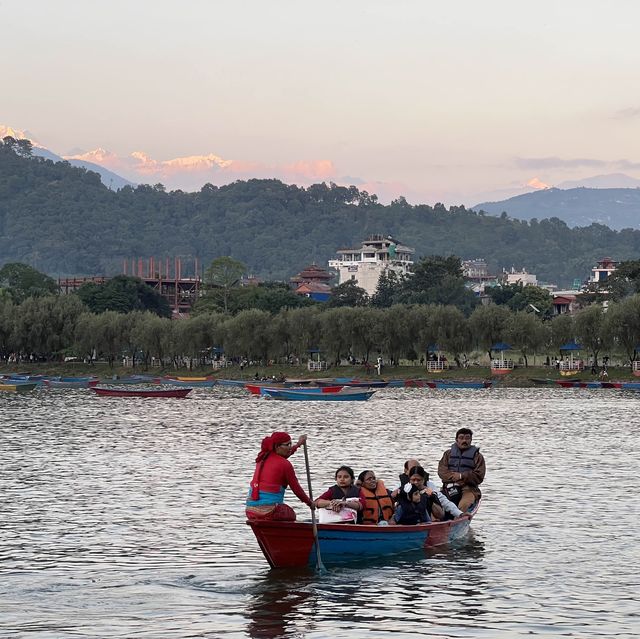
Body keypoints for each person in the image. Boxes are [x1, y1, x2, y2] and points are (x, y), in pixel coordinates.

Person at [246, 431, 313, 521]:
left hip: (250, 511)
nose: (290, 447)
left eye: (290, 444)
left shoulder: (263, 457)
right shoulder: (285, 464)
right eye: (287, 445)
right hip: (269, 512)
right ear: (277, 446)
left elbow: (286, 454)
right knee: (291, 514)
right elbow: (296, 489)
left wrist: (298, 444)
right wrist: (310, 503)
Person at [438, 428, 486, 512]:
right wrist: (453, 477)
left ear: (471, 440)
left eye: (467, 438)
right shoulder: (447, 454)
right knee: (436, 504)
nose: (464, 440)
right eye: (461, 438)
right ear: (456, 439)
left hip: (469, 489)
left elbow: (479, 476)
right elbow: (441, 471)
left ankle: (458, 520)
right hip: (449, 487)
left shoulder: (478, 456)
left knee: (463, 506)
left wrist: (461, 476)